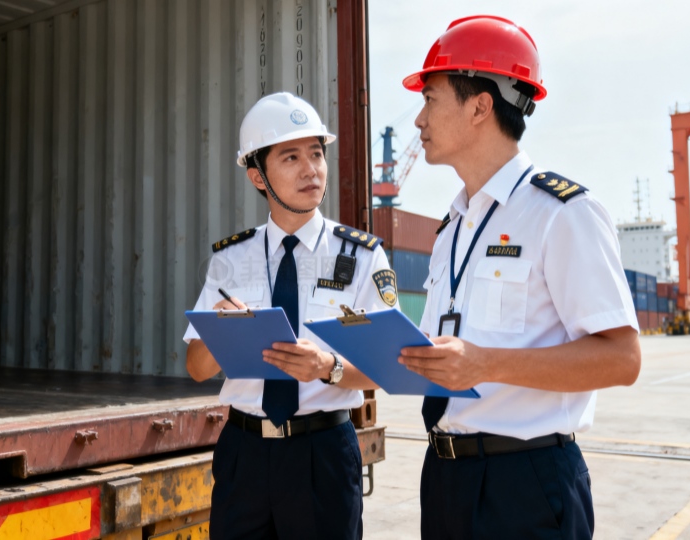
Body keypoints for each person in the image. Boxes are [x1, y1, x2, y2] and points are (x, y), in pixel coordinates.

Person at [396, 15, 642, 539]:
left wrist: (483, 365)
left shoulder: (562, 213)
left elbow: (622, 359)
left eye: (431, 98)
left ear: (480, 105)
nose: (419, 119)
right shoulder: (452, 227)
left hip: (524, 483)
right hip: (443, 478)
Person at [183, 92, 396, 540]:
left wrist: (329, 367)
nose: (311, 169)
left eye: (317, 154)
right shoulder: (231, 258)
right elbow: (198, 369)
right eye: (291, 157)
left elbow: (387, 367)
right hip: (244, 454)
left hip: (323, 455)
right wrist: (222, 330)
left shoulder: (361, 257)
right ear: (257, 176)